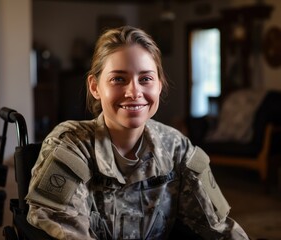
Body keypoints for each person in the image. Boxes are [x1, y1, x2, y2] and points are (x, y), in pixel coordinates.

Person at [26, 25, 249, 240]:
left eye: (146, 79)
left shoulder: (176, 147)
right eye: (118, 79)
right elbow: (63, 227)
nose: (134, 92)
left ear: (159, 86)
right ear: (95, 87)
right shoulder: (72, 145)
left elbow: (220, 228)